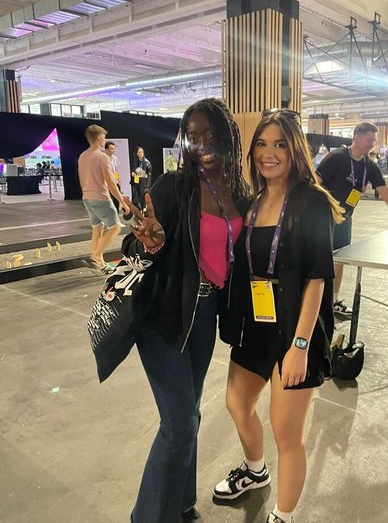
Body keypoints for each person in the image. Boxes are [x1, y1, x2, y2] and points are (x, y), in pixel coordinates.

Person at [121, 98, 249, 523]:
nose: (201, 145)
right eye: (193, 137)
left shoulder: (239, 192)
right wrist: (149, 242)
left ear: (228, 136)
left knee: (190, 414)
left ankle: (180, 501)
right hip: (164, 315)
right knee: (178, 424)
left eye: (210, 135)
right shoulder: (173, 186)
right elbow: (134, 244)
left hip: (205, 316)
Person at [213, 109, 343, 523]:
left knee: (287, 433)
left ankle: (283, 516)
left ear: (295, 150)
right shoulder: (252, 202)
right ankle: (255, 471)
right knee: (237, 403)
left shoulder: (312, 202)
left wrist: (300, 346)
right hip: (255, 325)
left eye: (280, 145)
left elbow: (318, 279)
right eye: (262, 144)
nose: (268, 154)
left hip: (295, 329)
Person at [316, 122, 388, 318]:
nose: (371, 144)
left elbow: (385, 192)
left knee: (339, 259)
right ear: (356, 137)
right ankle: (313, 301)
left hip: (344, 219)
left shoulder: (369, 166)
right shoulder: (336, 157)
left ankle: (333, 301)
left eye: (373, 141)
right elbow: (314, 182)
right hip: (323, 217)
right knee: (319, 259)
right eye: (369, 140)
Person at [77, 124, 130, 274]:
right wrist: (122, 202)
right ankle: (95, 256)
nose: (104, 140)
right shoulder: (102, 157)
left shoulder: (83, 156)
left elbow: (82, 179)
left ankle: (100, 264)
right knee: (115, 227)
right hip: (100, 198)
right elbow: (111, 183)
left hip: (87, 198)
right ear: (99, 138)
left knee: (97, 229)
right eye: (104, 137)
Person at [131, 146, 152, 211]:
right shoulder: (136, 162)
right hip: (136, 180)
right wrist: (133, 173)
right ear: (137, 153)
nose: (141, 153)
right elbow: (133, 170)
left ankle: (143, 211)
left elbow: (149, 174)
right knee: (135, 198)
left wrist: (147, 185)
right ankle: (138, 210)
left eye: (142, 152)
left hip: (143, 181)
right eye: (139, 152)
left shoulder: (147, 162)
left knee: (143, 198)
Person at [104, 140, 122, 212]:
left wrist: (118, 180)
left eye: (114, 148)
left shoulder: (115, 158)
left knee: (117, 200)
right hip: (107, 183)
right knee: (109, 201)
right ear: (106, 149)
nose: (113, 150)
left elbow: (116, 171)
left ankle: (116, 215)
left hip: (115, 182)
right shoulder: (103, 158)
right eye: (111, 149)